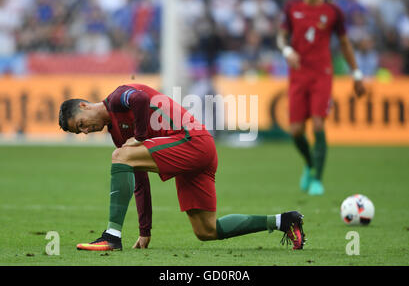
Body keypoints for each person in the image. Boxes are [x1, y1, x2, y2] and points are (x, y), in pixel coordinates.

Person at [58, 83, 306, 251]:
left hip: (192, 141)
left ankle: (112, 236)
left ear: (84, 106)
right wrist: (145, 230)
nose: (85, 130)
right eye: (79, 131)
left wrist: (141, 136)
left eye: (80, 124)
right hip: (196, 151)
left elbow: (141, 98)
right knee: (206, 230)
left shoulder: (115, 99)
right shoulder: (118, 136)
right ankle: (283, 221)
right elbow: (140, 181)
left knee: (119, 156)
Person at [277, 0, 365, 196]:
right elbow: (281, 37)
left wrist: (356, 73)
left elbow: (345, 43)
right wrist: (287, 51)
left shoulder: (333, 11)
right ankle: (309, 163)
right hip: (297, 74)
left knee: (317, 124)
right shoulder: (292, 8)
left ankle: (317, 179)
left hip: (322, 74)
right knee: (296, 130)